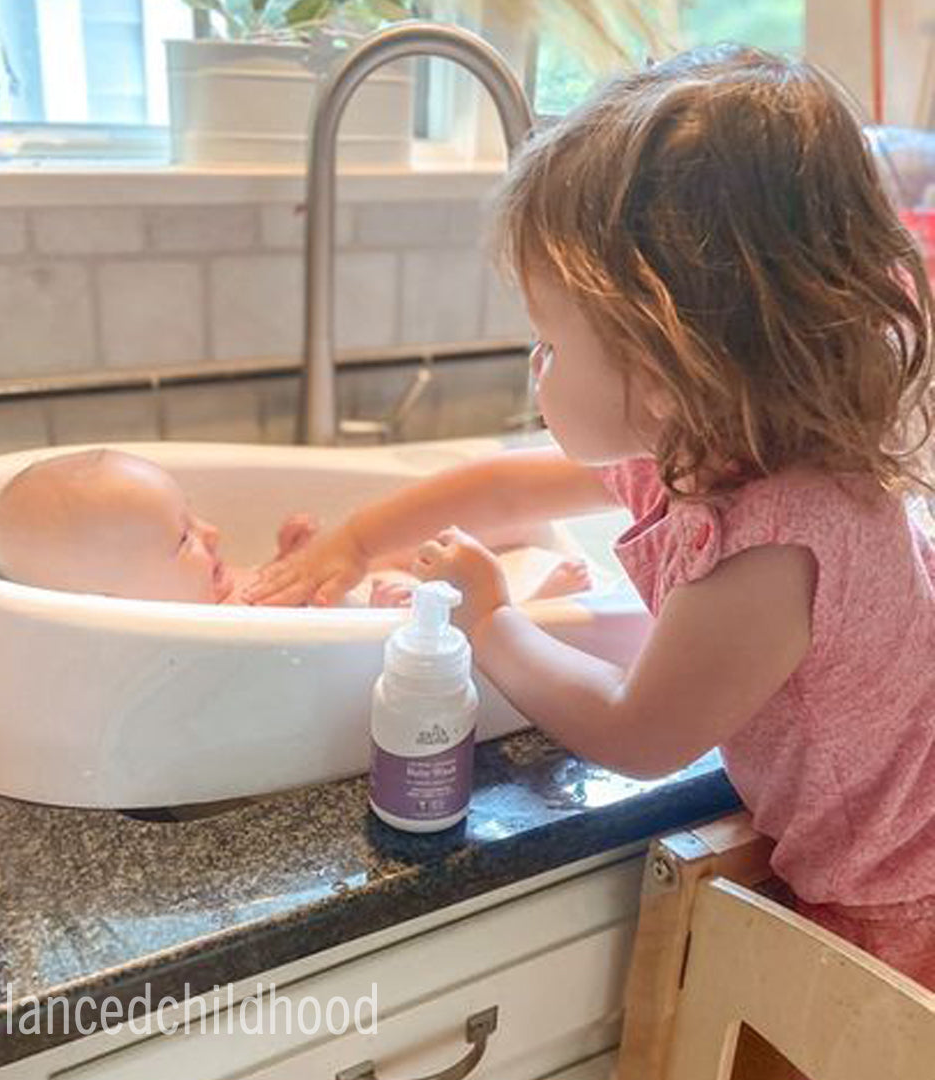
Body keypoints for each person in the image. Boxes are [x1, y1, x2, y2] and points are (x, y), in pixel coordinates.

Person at [246, 45, 935, 992]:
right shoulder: (718, 438)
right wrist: (357, 538)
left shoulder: (775, 547)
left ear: (662, 370)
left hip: (893, 898)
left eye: (548, 340)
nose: (534, 368)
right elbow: (504, 487)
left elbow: (640, 736)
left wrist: (491, 620)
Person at [0, 449, 591, 606]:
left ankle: (483, 549)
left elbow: (282, 585)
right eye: (183, 539)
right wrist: (380, 609)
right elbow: (303, 649)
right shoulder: (200, 627)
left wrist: (287, 555)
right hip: (361, 637)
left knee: (385, 564)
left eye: (192, 515)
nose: (213, 531)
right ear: (111, 605)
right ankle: (533, 605)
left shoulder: (205, 589)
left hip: (339, 597)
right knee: (422, 614)